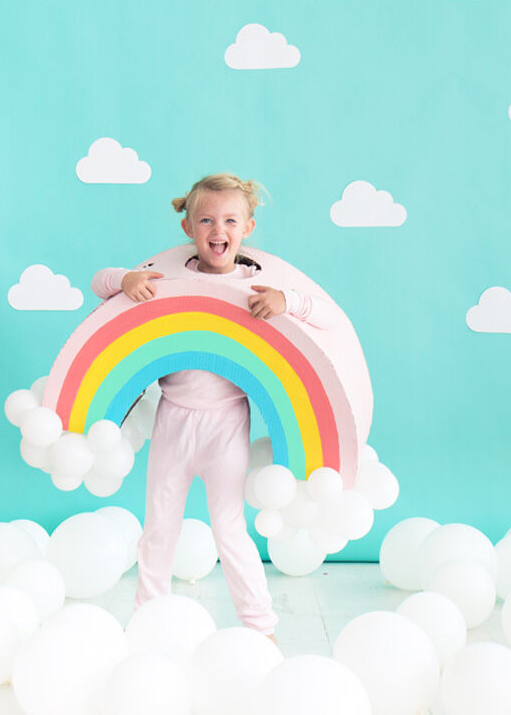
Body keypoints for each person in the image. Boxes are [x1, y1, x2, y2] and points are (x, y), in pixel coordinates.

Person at [90, 172, 336, 643]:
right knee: (160, 525)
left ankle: (261, 626)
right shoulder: (167, 279)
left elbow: (324, 315)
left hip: (227, 423)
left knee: (230, 529)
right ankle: (147, 617)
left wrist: (289, 301)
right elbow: (100, 285)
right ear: (187, 228)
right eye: (205, 220)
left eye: (229, 220)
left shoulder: (257, 285)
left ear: (247, 228)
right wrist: (125, 279)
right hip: (173, 419)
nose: (216, 230)